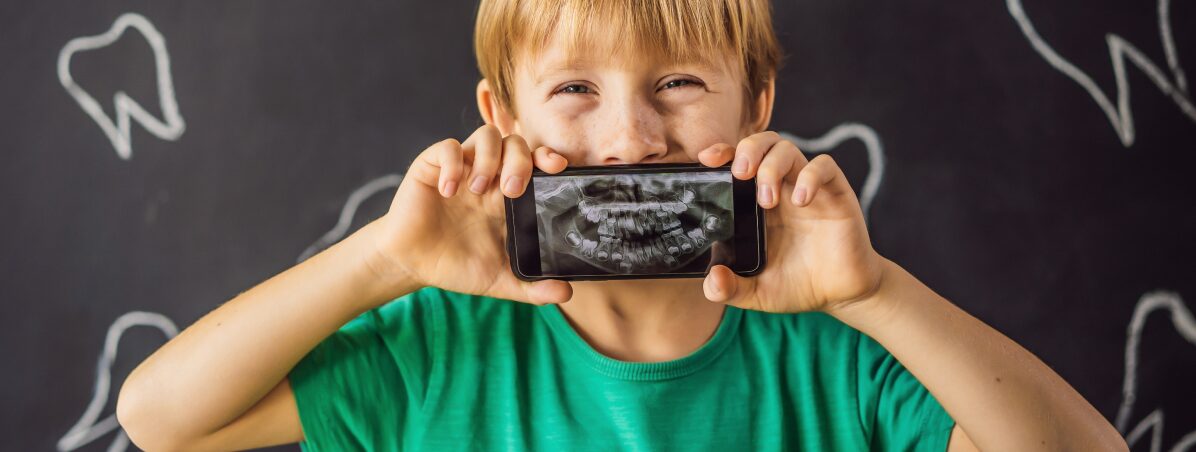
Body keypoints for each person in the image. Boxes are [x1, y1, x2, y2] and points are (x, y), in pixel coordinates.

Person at [116, 0, 1128, 450]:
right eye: (574, 90)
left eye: (678, 83)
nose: (631, 138)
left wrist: (876, 294)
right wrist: (383, 259)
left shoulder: (840, 352)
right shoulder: (432, 347)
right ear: (502, 117)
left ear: (757, 103)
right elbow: (161, 419)